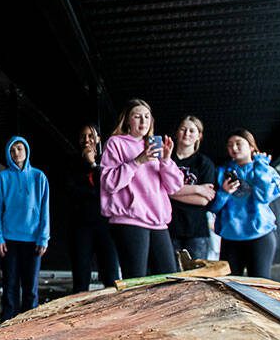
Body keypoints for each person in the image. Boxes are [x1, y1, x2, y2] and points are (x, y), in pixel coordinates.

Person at [100, 99, 183, 279]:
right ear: (127, 121)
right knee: (137, 280)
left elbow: (174, 186)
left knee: (170, 278)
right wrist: (138, 161)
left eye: (147, 117)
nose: (143, 121)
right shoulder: (116, 143)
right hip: (129, 219)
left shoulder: (155, 146)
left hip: (158, 221)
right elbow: (109, 183)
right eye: (137, 116)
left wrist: (166, 160)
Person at [207, 129, 280, 278]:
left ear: (251, 147)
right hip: (230, 236)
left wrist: (260, 169)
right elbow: (213, 208)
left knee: (260, 286)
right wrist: (224, 193)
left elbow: (264, 197)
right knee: (231, 286)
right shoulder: (221, 172)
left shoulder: (265, 169)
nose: (234, 148)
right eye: (230, 145)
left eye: (238, 143)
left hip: (260, 234)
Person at [0, 136, 50, 321]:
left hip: (32, 240)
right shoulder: (1, 178)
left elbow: (44, 210)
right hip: (9, 239)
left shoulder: (39, 177)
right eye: (12, 150)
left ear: (26, 150)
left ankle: (29, 323)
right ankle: (8, 323)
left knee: (30, 287)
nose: (16, 153)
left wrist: (43, 238)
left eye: (19, 148)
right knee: (9, 285)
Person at [65, 123, 119, 292]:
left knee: (111, 276)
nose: (87, 139)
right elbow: (71, 191)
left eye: (90, 135)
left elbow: (109, 187)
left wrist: (92, 164)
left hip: (106, 225)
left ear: (98, 139)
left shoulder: (107, 161)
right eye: (83, 136)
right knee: (81, 278)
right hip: (81, 226)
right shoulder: (71, 163)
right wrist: (95, 192)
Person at [167, 116, 216, 262]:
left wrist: (168, 191)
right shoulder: (167, 160)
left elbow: (203, 200)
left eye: (192, 130)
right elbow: (157, 190)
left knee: (196, 279)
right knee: (169, 278)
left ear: (199, 136)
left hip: (196, 231)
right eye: (183, 129)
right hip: (168, 228)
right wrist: (197, 188)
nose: (187, 133)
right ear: (177, 133)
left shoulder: (204, 163)